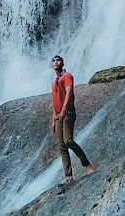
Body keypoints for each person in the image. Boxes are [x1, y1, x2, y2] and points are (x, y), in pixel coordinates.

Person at [49, 55, 93, 183]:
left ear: (62, 63)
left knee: (68, 140)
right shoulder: (54, 83)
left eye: (58, 60)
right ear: (52, 65)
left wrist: (63, 110)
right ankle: (68, 175)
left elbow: (69, 93)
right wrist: (53, 120)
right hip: (57, 116)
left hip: (67, 113)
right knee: (61, 145)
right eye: (53, 61)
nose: (55, 62)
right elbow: (54, 101)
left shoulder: (67, 76)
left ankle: (87, 165)